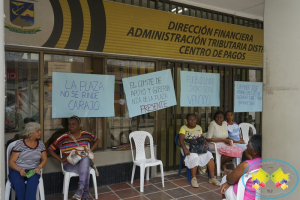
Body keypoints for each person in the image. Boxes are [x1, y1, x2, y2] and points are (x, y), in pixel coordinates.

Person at [47, 116, 100, 200]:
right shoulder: (64, 137)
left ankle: (80, 189)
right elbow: (50, 149)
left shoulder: (85, 134)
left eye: (73, 124)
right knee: (85, 167)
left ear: (79, 125)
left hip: (83, 162)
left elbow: (97, 140)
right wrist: (60, 159)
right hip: (69, 164)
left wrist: (89, 151)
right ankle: (85, 195)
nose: (71, 126)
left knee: (85, 159)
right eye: (69, 124)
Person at [179, 114, 220, 188]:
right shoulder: (183, 128)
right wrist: (185, 148)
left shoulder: (198, 127)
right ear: (187, 120)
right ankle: (193, 178)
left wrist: (206, 143)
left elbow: (202, 138)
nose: (192, 121)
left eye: (194, 119)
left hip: (198, 147)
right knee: (194, 156)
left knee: (209, 155)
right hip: (188, 147)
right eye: (190, 119)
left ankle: (212, 178)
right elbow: (181, 140)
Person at [8, 122, 47, 200]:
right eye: (37, 131)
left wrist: (39, 167)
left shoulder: (41, 144)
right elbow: (11, 162)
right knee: (18, 183)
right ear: (30, 133)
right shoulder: (20, 144)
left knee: (32, 183)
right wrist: (20, 169)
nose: (40, 132)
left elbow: (44, 159)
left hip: (33, 169)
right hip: (18, 169)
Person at [220, 134, 262, 200]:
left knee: (224, 178)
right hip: (257, 197)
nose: (246, 146)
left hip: (241, 196)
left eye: (248, 144)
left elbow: (230, 180)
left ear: (254, 152)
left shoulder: (246, 165)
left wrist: (227, 173)